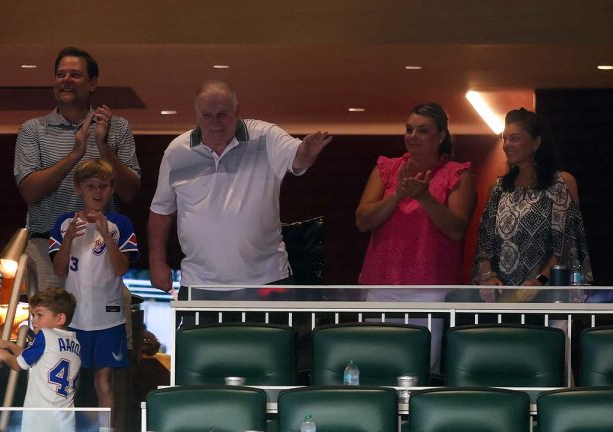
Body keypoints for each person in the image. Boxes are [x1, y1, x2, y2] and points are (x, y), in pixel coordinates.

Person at [148, 80, 332, 298]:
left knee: (274, 334)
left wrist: (307, 152)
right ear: (196, 115)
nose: (214, 122)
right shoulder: (177, 152)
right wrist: (157, 262)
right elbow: (161, 212)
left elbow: (297, 159)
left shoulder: (266, 137)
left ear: (237, 112)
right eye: (207, 115)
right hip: (200, 283)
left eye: (222, 114)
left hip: (266, 280)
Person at [354, 103, 476, 371]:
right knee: (377, 366)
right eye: (409, 129)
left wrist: (424, 197)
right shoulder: (387, 168)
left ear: (441, 136)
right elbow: (362, 220)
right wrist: (397, 195)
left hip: (429, 290)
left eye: (423, 130)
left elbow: (456, 230)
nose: (412, 136)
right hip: (382, 287)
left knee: (420, 369)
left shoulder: (456, 173)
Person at [14, 46, 140, 291]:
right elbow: (29, 192)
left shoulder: (117, 127)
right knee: (51, 326)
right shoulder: (33, 130)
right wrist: (75, 154)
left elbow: (129, 191)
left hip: (102, 242)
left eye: (75, 75)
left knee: (107, 322)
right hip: (47, 246)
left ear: (92, 83)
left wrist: (103, 146)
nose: (66, 81)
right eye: (61, 75)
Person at [49, 159, 138, 429]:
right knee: (68, 381)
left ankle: (106, 429)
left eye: (103, 186)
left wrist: (106, 235)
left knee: (104, 379)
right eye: (90, 186)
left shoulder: (120, 223)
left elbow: (122, 268)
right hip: (74, 319)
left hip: (107, 317)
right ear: (78, 189)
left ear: (111, 189)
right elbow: (59, 268)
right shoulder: (65, 223)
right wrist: (68, 240)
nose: (97, 192)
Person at [473, 108, 592, 302]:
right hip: (503, 296)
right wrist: (488, 276)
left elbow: (566, 243)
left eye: (514, 138)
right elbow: (485, 242)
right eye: (505, 138)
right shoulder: (498, 188)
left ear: (536, 143)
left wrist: (539, 281)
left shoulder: (561, 183)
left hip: (550, 294)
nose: (506, 145)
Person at [0, 287, 81, 432]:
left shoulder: (45, 335)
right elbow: (39, 358)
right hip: (65, 418)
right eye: (33, 315)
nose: (34, 321)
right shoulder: (75, 343)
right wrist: (9, 345)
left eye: (39, 315)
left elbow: (17, 365)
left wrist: (4, 354)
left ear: (60, 318)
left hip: (41, 417)